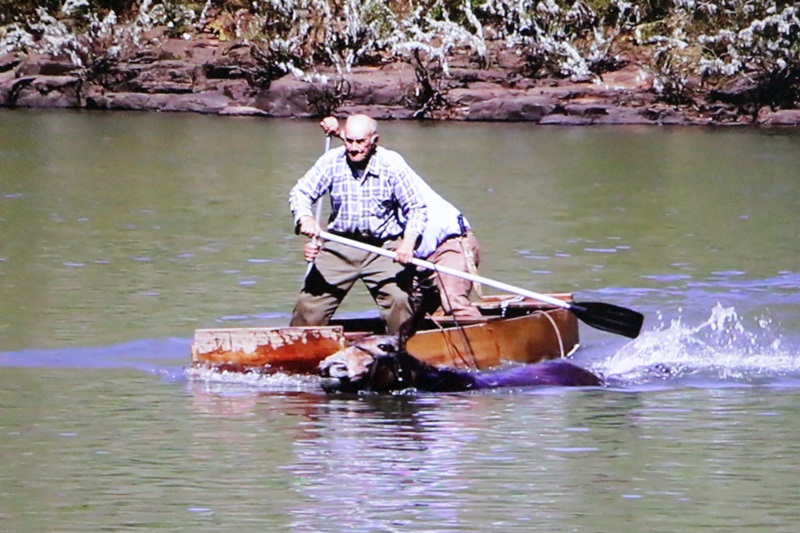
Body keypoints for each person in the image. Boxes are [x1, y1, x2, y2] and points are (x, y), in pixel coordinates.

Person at [288, 114, 427, 334]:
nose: (353, 148)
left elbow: (417, 208)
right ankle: (297, 348)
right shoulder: (332, 161)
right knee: (308, 305)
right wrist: (305, 218)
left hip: (383, 248)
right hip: (339, 246)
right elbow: (301, 192)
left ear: (374, 140)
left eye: (360, 142)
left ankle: (403, 349)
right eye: (349, 141)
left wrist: (408, 244)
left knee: (400, 299)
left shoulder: (392, 163)